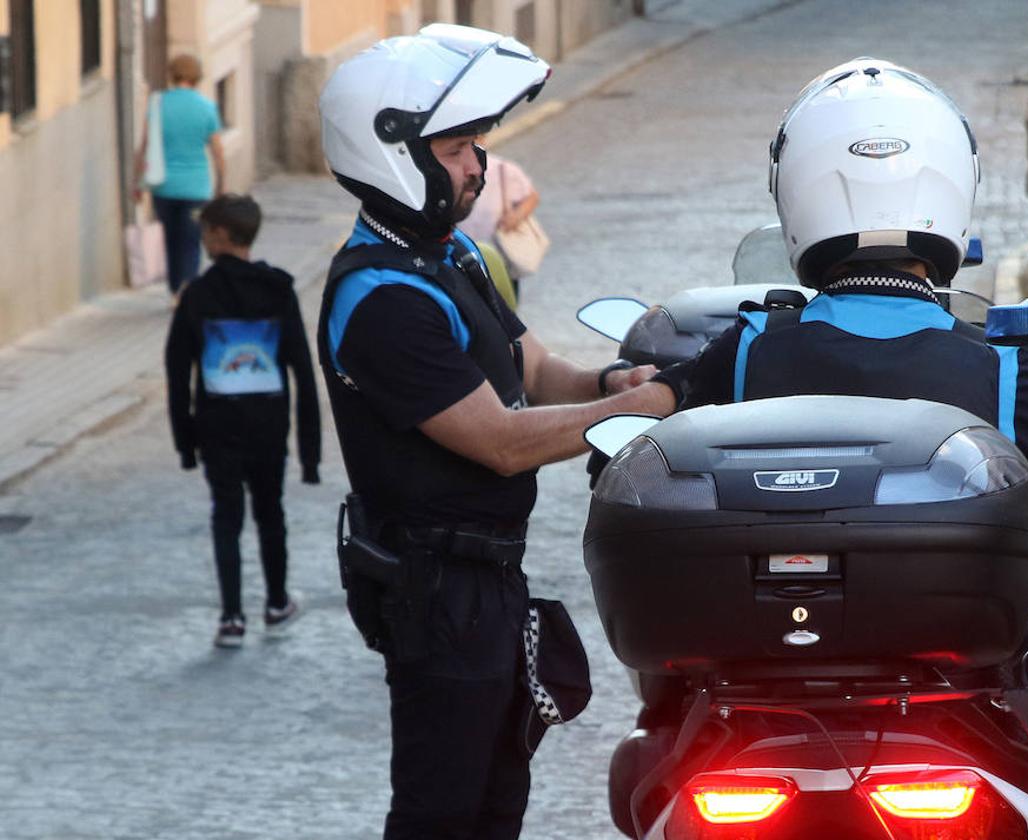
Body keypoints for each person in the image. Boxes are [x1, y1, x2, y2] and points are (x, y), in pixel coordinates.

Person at [649, 57, 1028, 839]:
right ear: (955, 187)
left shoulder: (749, 348)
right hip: (956, 695)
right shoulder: (1003, 363)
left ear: (794, 192)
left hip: (770, 681)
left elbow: (656, 427)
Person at [315, 26, 673, 840]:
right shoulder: (381, 299)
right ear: (392, 152)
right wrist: (638, 412)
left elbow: (535, 370)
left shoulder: (452, 257)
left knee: (496, 804)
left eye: (476, 144)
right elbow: (501, 439)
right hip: (435, 590)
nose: (477, 165)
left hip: (488, 586)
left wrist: (610, 384)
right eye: (456, 147)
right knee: (441, 813)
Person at [165, 193, 321, 648]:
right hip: (269, 427)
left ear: (219, 235)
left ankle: (232, 617)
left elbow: (177, 373)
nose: (201, 237)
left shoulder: (197, 295)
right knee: (271, 513)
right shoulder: (277, 289)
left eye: (205, 230)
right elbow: (302, 371)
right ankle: (276, 603)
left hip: (217, 428)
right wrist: (309, 454)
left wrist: (185, 442)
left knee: (226, 518)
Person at [134, 53, 226, 294]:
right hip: (196, 188)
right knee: (191, 242)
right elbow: (217, 151)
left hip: (164, 186)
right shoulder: (206, 108)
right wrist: (221, 185)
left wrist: (137, 184)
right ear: (197, 78)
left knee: (171, 241)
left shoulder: (158, 105)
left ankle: (175, 291)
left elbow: (144, 147)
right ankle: (188, 290)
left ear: (172, 75)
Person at [457, 139, 541, 300]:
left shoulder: (503, 168)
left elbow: (531, 196)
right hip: (464, 250)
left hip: (500, 251)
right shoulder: (452, 170)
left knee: (505, 301)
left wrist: (516, 217)